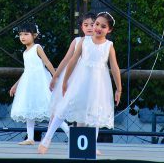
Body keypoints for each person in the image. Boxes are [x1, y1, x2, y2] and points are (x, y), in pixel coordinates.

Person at [38, 12, 122, 154]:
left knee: (95, 112)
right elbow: (72, 61)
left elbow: (114, 67)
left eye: (103, 26)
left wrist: (119, 89)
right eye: (97, 24)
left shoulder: (109, 45)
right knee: (65, 106)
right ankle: (47, 139)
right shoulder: (84, 41)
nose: (98, 28)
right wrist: (65, 81)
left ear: (109, 30)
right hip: (80, 80)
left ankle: (91, 145)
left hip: (98, 84)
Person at [48, 12, 96, 135]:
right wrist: (55, 76)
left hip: (87, 79)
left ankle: (79, 139)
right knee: (59, 106)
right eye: (86, 25)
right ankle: (48, 137)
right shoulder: (77, 41)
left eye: (92, 24)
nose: (89, 27)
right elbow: (66, 59)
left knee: (83, 109)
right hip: (71, 77)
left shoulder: (99, 42)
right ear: (82, 27)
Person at [9, 22, 55, 145]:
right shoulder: (25, 52)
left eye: (26, 34)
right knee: (29, 108)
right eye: (20, 34)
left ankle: (68, 131)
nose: (22, 37)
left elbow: (47, 62)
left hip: (40, 82)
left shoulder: (37, 47)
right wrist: (15, 85)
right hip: (29, 84)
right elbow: (27, 71)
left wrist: (55, 77)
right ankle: (30, 138)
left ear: (34, 35)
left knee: (50, 108)